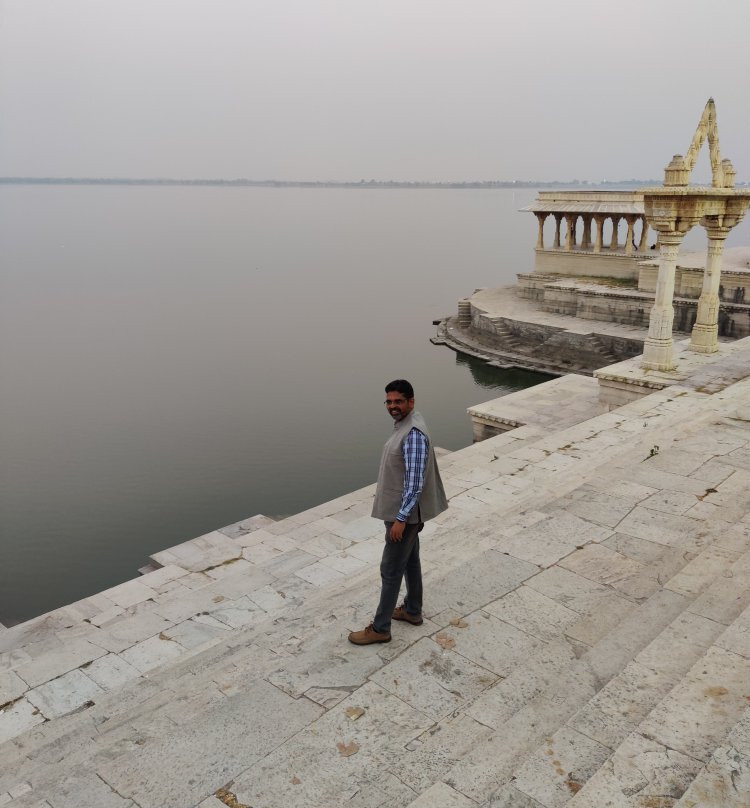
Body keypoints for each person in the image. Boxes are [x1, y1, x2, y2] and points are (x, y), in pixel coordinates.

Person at [348, 379, 448, 645]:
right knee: (410, 561)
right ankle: (413, 610)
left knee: (390, 569)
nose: (393, 406)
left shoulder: (412, 434)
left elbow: (414, 483)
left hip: (403, 516)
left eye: (398, 401)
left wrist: (401, 519)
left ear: (411, 402)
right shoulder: (410, 423)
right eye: (389, 401)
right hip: (406, 514)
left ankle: (381, 628)